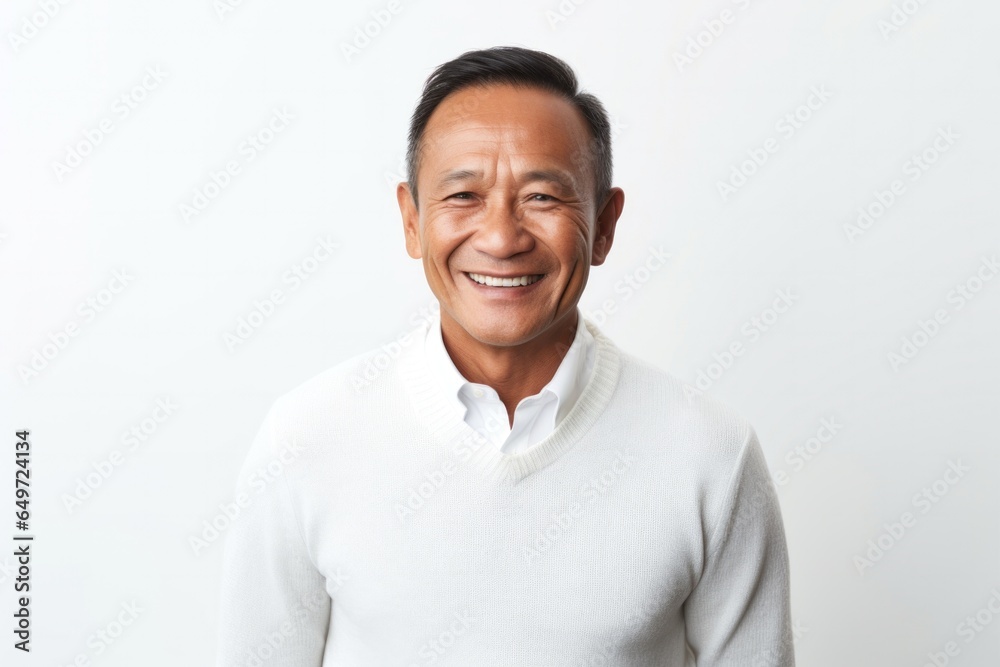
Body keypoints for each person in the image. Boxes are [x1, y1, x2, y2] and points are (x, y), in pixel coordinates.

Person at [216, 45, 795, 666]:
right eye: (463, 196)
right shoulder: (307, 436)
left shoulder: (712, 453)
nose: (501, 238)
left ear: (604, 225)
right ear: (411, 221)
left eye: (543, 197)